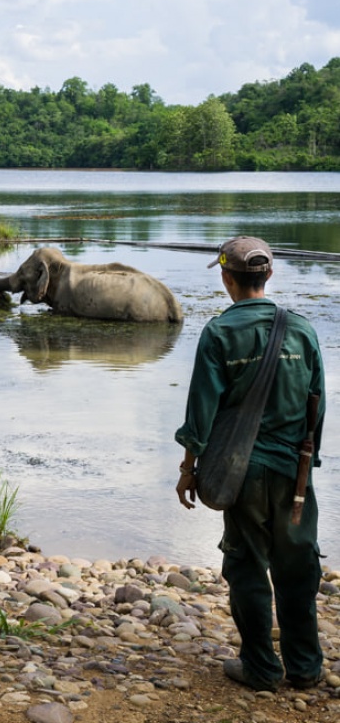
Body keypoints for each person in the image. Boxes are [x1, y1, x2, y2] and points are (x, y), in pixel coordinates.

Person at [175, 235, 325, 693]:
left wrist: (189, 468)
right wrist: (309, 460)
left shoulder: (219, 333)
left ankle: (260, 667)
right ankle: (304, 667)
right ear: (269, 275)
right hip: (293, 471)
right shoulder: (302, 330)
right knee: (298, 565)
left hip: (241, 471)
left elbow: (201, 410)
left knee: (245, 564)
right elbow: (316, 405)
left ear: (226, 278)